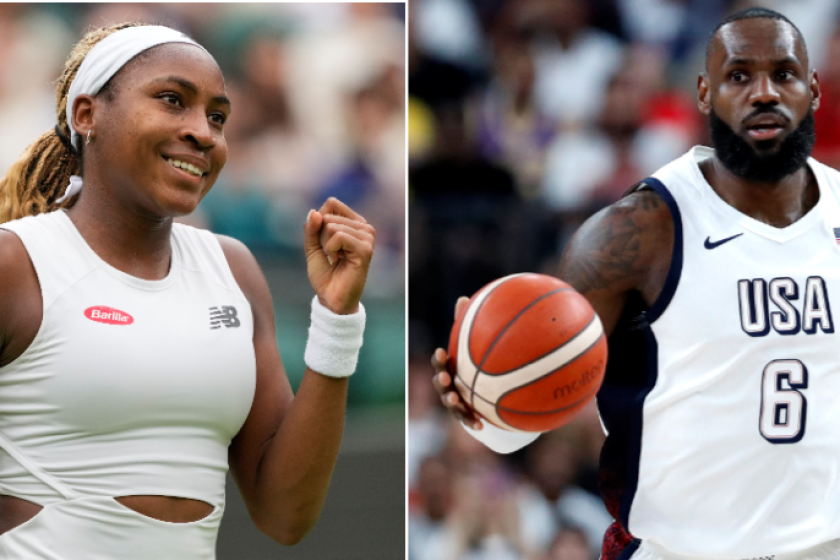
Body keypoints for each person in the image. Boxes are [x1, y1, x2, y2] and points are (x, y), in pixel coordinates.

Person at [432, 7, 840, 560]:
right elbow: (529, 414)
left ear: (813, 88)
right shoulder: (636, 232)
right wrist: (482, 401)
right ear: (703, 92)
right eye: (739, 75)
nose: (763, 92)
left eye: (784, 74)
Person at [0, 22, 375, 559]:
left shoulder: (234, 270)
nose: (203, 132)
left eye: (217, 117)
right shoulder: (14, 262)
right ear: (87, 115)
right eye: (172, 100)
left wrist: (338, 319)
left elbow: (284, 514)